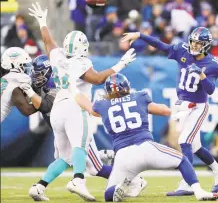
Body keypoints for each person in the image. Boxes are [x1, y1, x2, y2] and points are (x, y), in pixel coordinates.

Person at [27, 2, 136, 201]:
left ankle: (39, 186)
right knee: (80, 146)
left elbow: (48, 42)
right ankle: (78, 180)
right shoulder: (82, 62)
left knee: (64, 157)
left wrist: (42, 21)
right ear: (82, 48)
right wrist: (121, 64)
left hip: (57, 107)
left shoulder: (58, 55)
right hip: (74, 105)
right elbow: (97, 79)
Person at [16, 55, 146, 201]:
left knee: (74, 161)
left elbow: (94, 79)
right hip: (69, 115)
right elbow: (95, 79)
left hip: (65, 114)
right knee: (83, 163)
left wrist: (30, 91)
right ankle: (71, 180)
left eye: (40, 73)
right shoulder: (67, 67)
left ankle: (41, 186)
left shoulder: (62, 70)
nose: (36, 77)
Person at [121, 27, 218, 196]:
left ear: (206, 45)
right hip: (184, 105)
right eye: (193, 42)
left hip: (198, 107)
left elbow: (210, 90)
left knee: (184, 141)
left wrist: (201, 76)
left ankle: (187, 182)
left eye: (199, 44)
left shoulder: (214, 65)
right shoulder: (182, 50)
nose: (194, 46)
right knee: (195, 146)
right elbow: (161, 45)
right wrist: (140, 35)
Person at [91, 73, 218, 202]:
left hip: (123, 156)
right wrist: (180, 108)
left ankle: (119, 187)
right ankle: (198, 191)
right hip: (146, 148)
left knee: (108, 195)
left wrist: (74, 90)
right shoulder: (139, 96)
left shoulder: (101, 105)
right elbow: (164, 111)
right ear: (126, 87)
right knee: (182, 160)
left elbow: (91, 109)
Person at [1, 47, 35, 122]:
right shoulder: (21, 79)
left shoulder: (4, 78)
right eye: (25, 65)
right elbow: (27, 110)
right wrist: (46, 102)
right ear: (17, 65)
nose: (27, 68)